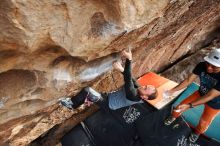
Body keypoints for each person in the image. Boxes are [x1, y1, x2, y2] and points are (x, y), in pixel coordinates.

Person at [60, 49, 157, 111]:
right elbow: (131, 78)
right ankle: (82, 101)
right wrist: (125, 65)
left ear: (144, 97)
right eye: (146, 86)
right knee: (90, 94)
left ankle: (71, 105)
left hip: (108, 104)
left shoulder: (134, 96)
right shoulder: (140, 89)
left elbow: (128, 80)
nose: (143, 86)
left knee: (88, 91)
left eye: (145, 89)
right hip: (108, 96)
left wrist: (129, 60)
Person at [164, 48, 220, 143]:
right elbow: (188, 80)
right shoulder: (202, 65)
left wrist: (190, 105)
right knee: (180, 106)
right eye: (208, 63)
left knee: (204, 122)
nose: (209, 68)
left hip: (215, 103)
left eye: (214, 66)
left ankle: (197, 133)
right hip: (201, 93)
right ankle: (173, 116)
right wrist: (172, 91)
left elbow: (210, 96)